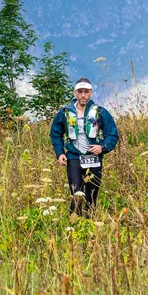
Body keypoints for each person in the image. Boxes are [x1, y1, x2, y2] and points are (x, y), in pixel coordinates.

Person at [49, 78, 119, 217]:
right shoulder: (65, 113)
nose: (83, 95)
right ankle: (74, 227)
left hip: (94, 158)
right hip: (74, 158)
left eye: (86, 92)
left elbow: (112, 134)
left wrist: (103, 147)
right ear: (75, 93)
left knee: (91, 195)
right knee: (76, 194)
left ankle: (90, 228)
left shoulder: (100, 112)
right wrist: (60, 153)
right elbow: (55, 133)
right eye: (80, 92)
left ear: (91, 93)